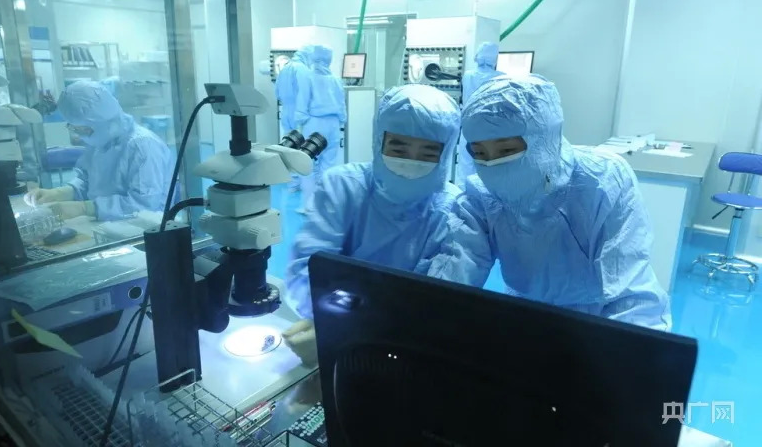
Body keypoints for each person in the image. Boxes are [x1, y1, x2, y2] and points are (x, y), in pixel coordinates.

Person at [429, 74, 671, 331]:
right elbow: (458, 268)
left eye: (506, 151)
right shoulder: (482, 195)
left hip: (599, 319)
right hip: (526, 316)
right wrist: (426, 314)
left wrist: (624, 347)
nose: (493, 166)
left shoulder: (602, 180)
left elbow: (630, 290)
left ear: (543, 138)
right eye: (479, 153)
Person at [282, 84, 478, 364]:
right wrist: (328, 319)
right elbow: (308, 268)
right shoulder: (344, 186)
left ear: (446, 154)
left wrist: (346, 329)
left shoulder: (453, 210)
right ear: (379, 141)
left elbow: (436, 302)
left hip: (406, 348)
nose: (410, 162)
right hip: (350, 330)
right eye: (399, 147)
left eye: (427, 153)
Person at [24, 80, 172, 222]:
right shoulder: (101, 141)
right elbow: (89, 182)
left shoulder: (143, 146)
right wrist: (59, 193)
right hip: (106, 224)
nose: (79, 135)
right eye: (74, 128)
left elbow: (144, 205)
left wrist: (85, 208)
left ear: (102, 124)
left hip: (145, 228)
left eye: (83, 130)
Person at [293, 44, 347, 214]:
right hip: (333, 124)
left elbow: (302, 103)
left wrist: (299, 122)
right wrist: (341, 122)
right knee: (329, 166)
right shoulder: (336, 80)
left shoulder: (308, 78)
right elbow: (342, 105)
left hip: (314, 123)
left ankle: (310, 205)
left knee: (308, 166)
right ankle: (326, 204)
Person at [456, 42, 502, 190]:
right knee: (486, 163)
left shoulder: (468, 75)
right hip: (489, 128)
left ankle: (463, 195)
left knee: (465, 164)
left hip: (468, 125)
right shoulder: (500, 77)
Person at [275, 46, 313, 192]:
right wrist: (303, 114)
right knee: (301, 149)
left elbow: (277, 92)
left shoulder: (285, 68)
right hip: (298, 113)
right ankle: (300, 182)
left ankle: (292, 181)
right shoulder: (302, 70)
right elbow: (305, 93)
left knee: (289, 146)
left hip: (285, 111)